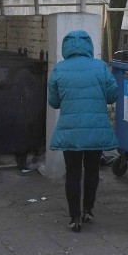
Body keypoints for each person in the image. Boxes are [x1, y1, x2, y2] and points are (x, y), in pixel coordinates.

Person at [48, 30, 119, 232]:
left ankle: (74, 217)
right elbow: (112, 95)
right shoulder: (100, 67)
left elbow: (53, 102)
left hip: (70, 131)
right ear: (89, 46)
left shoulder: (60, 69)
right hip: (95, 128)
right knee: (92, 170)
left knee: (72, 172)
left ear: (66, 47)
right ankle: (88, 209)